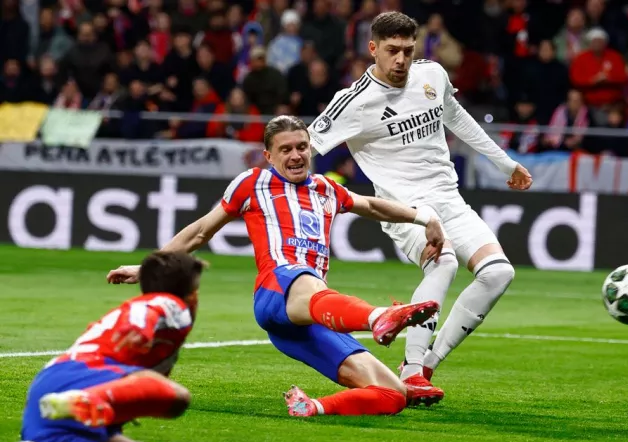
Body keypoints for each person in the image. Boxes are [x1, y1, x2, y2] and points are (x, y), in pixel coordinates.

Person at [106, 116, 445, 418]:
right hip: (276, 291)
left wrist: (424, 217)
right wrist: (146, 267)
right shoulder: (252, 183)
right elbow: (201, 231)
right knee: (308, 279)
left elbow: (371, 205)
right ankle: (377, 317)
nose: (295, 155)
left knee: (393, 395)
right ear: (268, 156)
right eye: (285, 150)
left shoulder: (326, 189)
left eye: (302, 147)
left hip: (307, 320)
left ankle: (312, 407)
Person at [307, 11, 534, 406]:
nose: (400, 60)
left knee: (499, 274)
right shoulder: (354, 101)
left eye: (408, 51)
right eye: (392, 51)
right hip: (403, 207)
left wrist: (504, 163)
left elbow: (457, 118)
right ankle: (411, 370)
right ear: (373, 49)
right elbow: (305, 146)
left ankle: (426, 365)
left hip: (449, 199)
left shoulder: (432, 75)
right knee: (443, 262)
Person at [16, 251, 205, 442]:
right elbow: (148, 311)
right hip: (77, 377)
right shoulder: (169, 304)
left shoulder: (162, 338)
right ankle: (86, 399)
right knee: (177, 397)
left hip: (48, 397)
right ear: (192, 294)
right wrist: (139, 331)